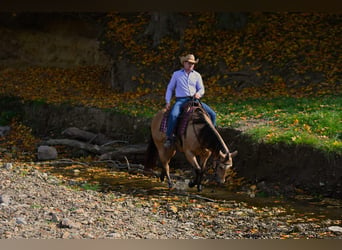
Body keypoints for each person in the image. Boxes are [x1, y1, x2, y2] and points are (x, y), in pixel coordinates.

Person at [164, 54, 216, 148]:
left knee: (212, 114)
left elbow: (201, 89)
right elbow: (170, 88)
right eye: (189, 63)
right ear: (184, 63)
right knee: (173, 115)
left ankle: (212, 136)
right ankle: (169, 138)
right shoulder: (177, 74)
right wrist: (168, 101)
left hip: (194, 99)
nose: (191, 65)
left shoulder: (197, 75)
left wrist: (199, 94)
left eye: (193, 63)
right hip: (181, 100)